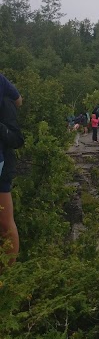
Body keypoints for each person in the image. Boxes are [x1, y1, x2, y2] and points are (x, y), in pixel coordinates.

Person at [0, 93, 25, 268]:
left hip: (4, 166)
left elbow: (17, 140)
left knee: (5, 222)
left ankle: (7, 276)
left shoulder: (5, 103)